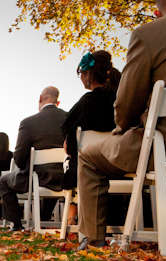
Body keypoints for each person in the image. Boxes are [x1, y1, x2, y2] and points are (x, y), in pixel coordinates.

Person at [78, 0, 166, 249]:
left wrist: (124, 127)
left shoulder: (149, 34)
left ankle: (92, 241)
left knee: (87, 155)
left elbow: (125, 108)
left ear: (157, 13)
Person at [62, 51, 122, 224]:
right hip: (122, 165)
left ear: (88, 74)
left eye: (81, 73)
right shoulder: (122, 100)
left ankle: (74, 219)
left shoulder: (86, 104)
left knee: (73, 164)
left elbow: (70, 147)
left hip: (89, 170)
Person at [0, 87, 67, 231]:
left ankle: (16, 224)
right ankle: (44, 218)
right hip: (66, 177)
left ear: (40, 99)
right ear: (58, 102)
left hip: (38, 178)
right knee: (53, 179)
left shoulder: (28, 123)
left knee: (3, 182)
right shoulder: (70, 119)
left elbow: (19, 159)